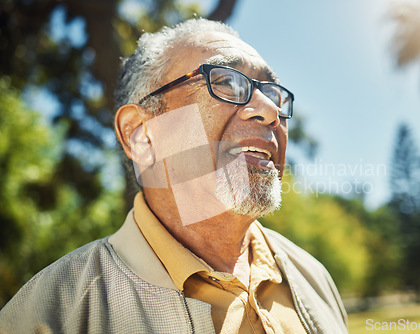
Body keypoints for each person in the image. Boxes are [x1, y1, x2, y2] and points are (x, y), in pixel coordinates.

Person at [0, 18, 347, 333]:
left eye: (273, 93)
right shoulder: (50, 315)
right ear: (141, 134)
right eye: (226, 81)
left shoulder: (314, 278)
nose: (271, 110)